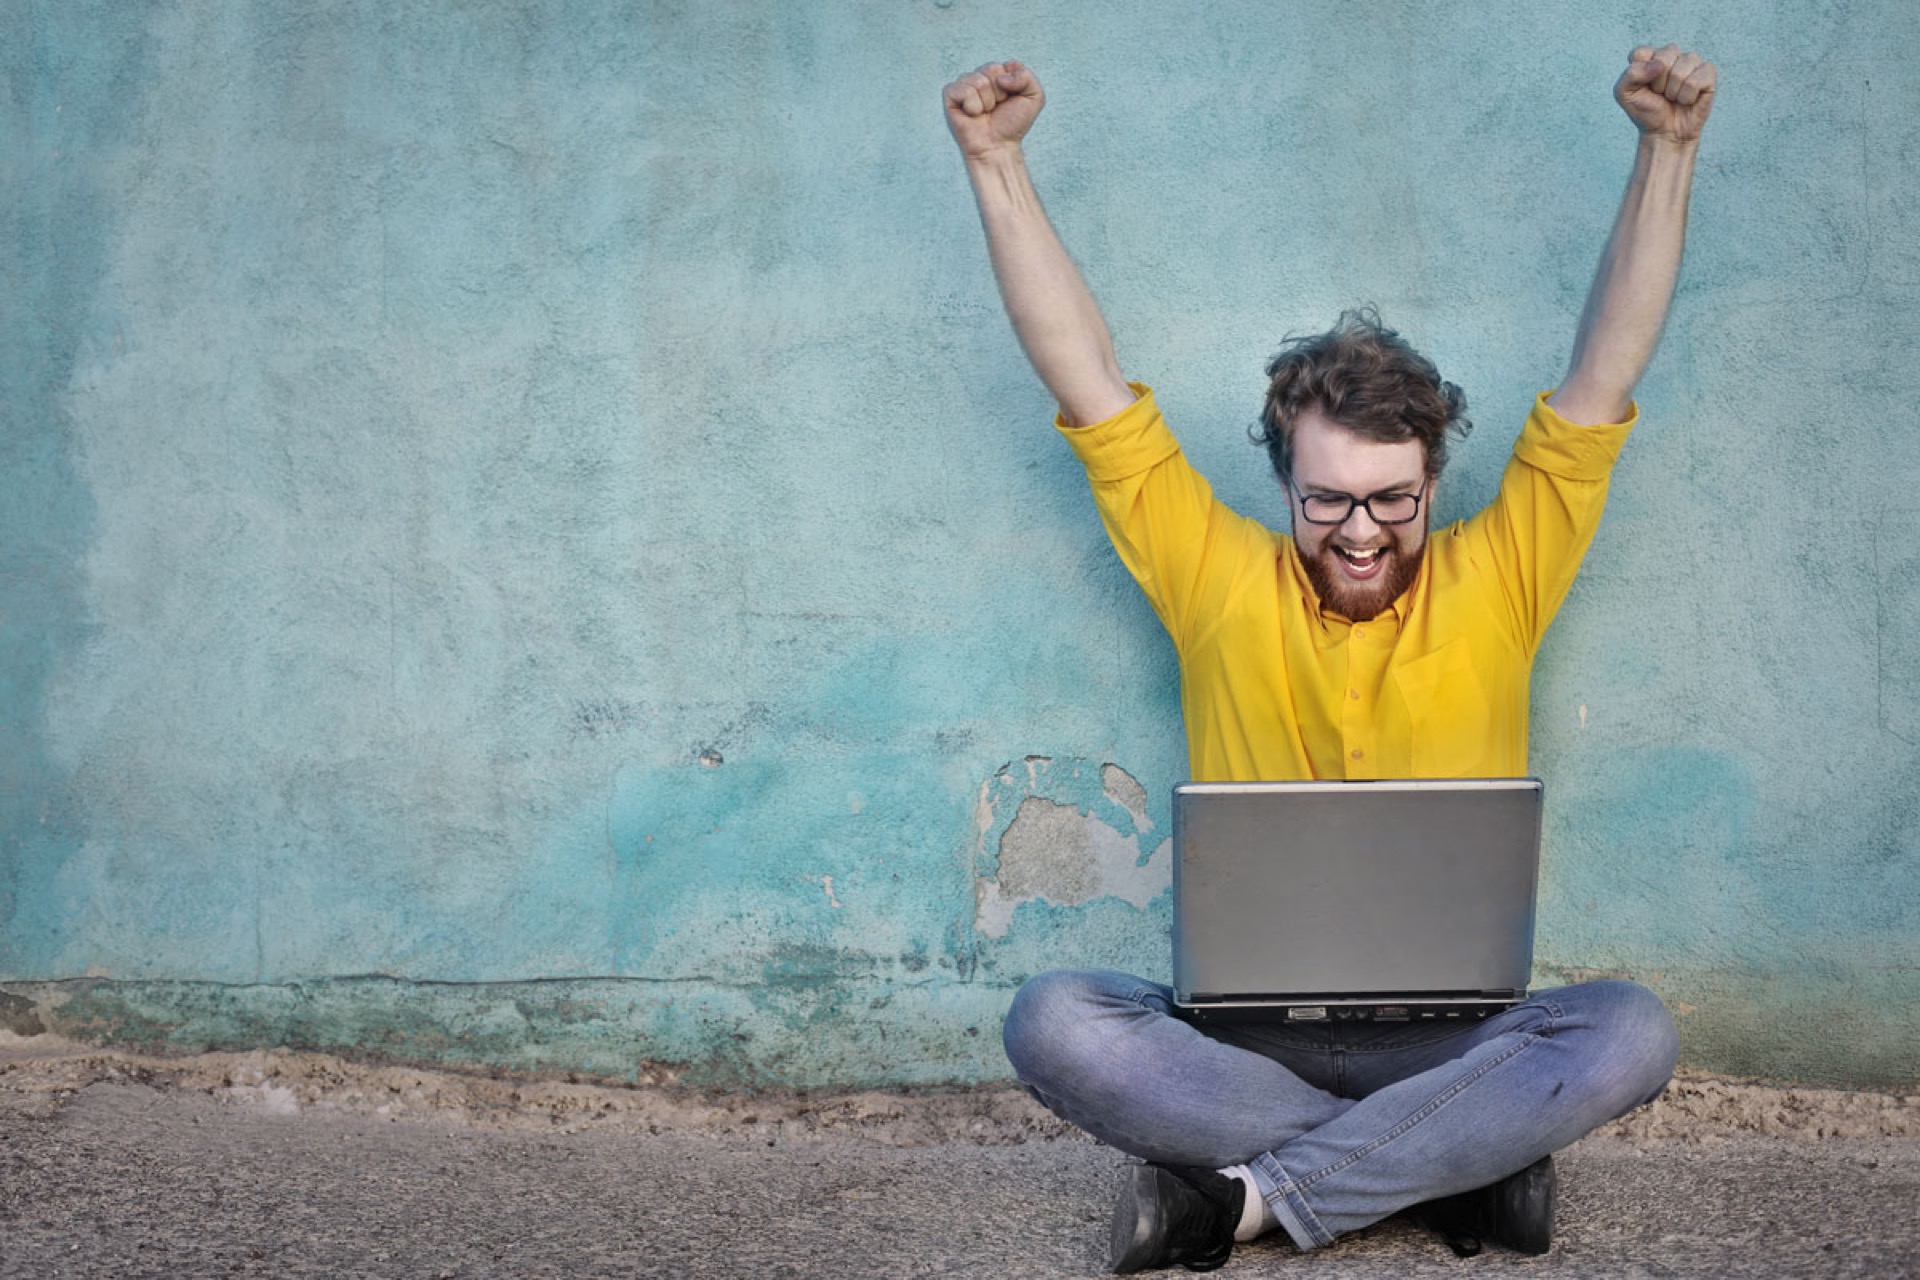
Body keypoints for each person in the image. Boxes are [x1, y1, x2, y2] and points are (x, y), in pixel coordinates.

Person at [942, 45, 1717, 1273]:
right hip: (1246, 1044)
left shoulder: (1502, 574)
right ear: (1285, 485)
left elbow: (1604, 369)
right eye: (1329, 500)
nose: (1362, 531)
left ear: (1433, 482)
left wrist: (1668, 149)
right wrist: (994, 162)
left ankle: (1241, 1200)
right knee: (1054, 1019)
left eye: (1393, 498)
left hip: (1452, 1038)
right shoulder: (1213, 576)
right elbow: (1085, 378)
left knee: (1629, 1030)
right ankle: (1459, 1164)